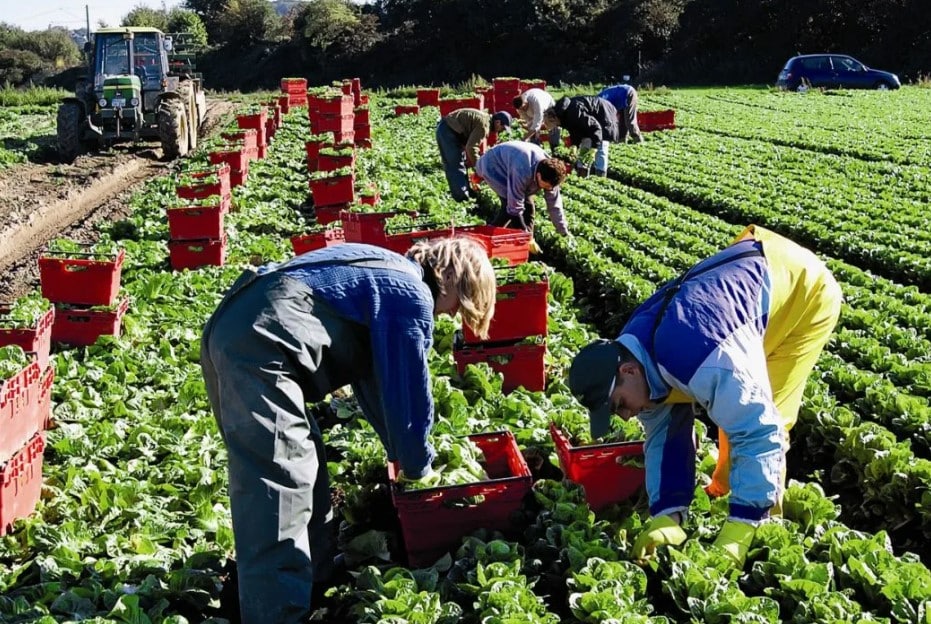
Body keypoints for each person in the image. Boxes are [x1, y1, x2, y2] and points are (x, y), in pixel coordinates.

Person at [200, 239, 496, 623]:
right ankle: (277, 614)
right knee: (278, 487)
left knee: (304, 458)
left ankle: (315, 579)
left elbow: (375, 386)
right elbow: (407, 390)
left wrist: (399, 455)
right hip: (258, 343)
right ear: (455, 279)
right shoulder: (411, 295)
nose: (453, 314)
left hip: (236, 322)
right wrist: (419, 469)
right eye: (461, 303)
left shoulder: (389, 273)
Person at [568, 225, 842, 567]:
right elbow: (663, 436)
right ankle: (727, 493)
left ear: (628, 371)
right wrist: (667, 514)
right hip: (744, 278)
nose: (625, 415)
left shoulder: (701, 354)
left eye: (619, 405)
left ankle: (762, 523)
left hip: (802, 291)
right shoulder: (635, 359)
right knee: (732, 406)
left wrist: (740, 528)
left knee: (765, 415)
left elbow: (760, 430)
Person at [474, 141, 570, 236]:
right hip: (493, 165)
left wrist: (563, 231)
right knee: (508, 206)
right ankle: (487, 236)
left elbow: (554, 205)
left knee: (528, 208)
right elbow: (514, 208)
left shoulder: (552, 174)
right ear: (539, 176)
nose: (548, 189)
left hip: (513, 162)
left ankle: (524, 240)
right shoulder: (523, 170)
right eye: (546, 186)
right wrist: (524, 233)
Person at [436, 107, 512, 202]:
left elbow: (470, 145)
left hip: (452, 131)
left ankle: (466, 191)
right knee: (455, 165)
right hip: (448, 131)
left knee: (462, 163)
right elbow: (471, 147)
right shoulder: (484, 125)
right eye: (503, 128)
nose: (501, 131)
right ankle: (461, 198)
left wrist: (475, 162)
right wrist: (480, 167)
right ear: (497, 122)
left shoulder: (485, 120)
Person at [543, 95, 619, 177]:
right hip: (592, 123)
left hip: (604, 115)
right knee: (584, 151)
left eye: (553, 125)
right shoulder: (563, 115)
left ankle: (600, 177)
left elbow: (596, 128)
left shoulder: (575, 112)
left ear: (553, 119)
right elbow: (575, 129)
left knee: (601, 149)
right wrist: (574, 145)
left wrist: (594, 148)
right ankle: (582, 176)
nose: (556, 127)